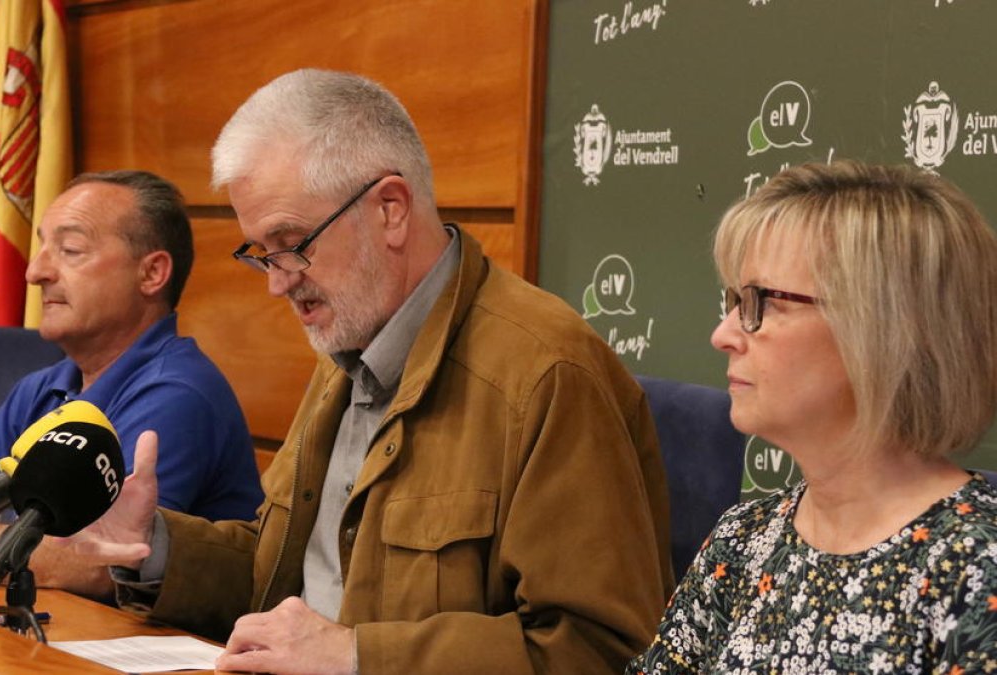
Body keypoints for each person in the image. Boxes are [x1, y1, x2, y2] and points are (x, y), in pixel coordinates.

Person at [79, 69, 672, 674]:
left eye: (291, 242)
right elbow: (284, 572)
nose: (278, 282)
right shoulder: (347, 343)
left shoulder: (546, 373)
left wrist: (357, 655)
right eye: (261, 253)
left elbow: (602, 651)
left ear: (390, 209)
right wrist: (154, 546)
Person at [628, 161, 997, 673]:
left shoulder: (979, 566)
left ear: (882, 328)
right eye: (734, 300)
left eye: (761, 303)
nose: (723, 335)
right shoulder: (743, 538)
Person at [0, 170, 263, 596]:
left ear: (151, 274)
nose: (35, 272)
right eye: (41, 247)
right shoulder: (44, 386)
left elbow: (96, 563)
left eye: (70, 249)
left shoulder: (177, 395)